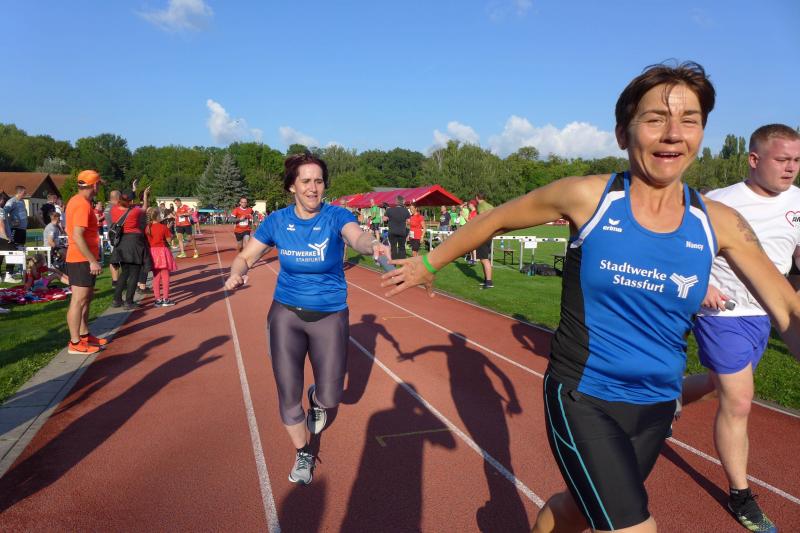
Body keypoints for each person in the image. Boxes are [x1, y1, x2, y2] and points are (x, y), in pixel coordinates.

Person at [381, 62, 800, 533]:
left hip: (658, 402)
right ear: (623, 133)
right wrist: (429, 263)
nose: (673, 134)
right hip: (584, 394)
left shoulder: (718, 221)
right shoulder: (587, 197)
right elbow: (497, 219)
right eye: (655, 119)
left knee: (576, 511)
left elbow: (786, 307)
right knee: (633, 527)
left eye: (689, 120)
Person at [225, 152, 389, 486]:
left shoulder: (336, 215)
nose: (313, 188)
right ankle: (303, 451)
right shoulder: (276, 221)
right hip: (286, 316)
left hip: (330, 315)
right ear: (292, 186)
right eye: (306, 181)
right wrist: (236, 272)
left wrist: (372, 244)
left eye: (319, 181)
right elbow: (246, 256)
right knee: (288, 394)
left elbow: (356, 237)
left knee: (332, 398)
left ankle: (317, 400)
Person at [677, 124, 800, 533]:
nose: (790, 168)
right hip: (721, 314)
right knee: (740, 400)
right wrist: (701, 286)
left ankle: (668, 398)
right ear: (753, 159)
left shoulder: (798, 201)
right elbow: (680, 250)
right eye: (782, 160)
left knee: (719, 384)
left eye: (796, 160)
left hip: (766, 314)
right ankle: (740, 495)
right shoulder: (719, 202)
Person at [65, 170, 109, 355]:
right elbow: (77, 235)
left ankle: (84, 335)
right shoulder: (82, 204)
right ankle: (75, 342)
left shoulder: (79, 202)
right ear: (95, 185)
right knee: (78, 300)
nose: (99, 188)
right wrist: (92, 260)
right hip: (81, 258)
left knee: (86, 298)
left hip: (82, 257)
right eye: (99, 184)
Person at [108, 189, 148, 310]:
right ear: (130, 201)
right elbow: (145, 208)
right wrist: (145, 196)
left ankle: (117, 299)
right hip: (134, 242)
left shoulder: (114, 209)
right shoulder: (135, 211)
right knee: (134, 273)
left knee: (124, 272)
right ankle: (129, 301)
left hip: (121, 242)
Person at [145, 207, 177, 307]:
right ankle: (165, 299)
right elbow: (169, 240)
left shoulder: (147, 228)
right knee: (165, 276)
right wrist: (170, 231)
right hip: (162, 252)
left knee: (156, 277)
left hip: (152, 252)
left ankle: (157, 299)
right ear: (158, 216)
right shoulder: (163, 227)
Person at [3, 185, 28, 282]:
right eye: (24, 193)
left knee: (21, 250)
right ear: (20, 192)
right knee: (13, 250)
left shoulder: (22, 201)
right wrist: (11, 221)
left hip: (23, 230)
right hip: (15, 230)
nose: (25, 194)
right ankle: (8, 273)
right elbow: (3, 214)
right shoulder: (11, 202)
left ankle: (20, 270)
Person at [474, 193, 495, 289]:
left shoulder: (480, 206)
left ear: (477, 198)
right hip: (490, 233)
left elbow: (482, 218)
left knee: (484, 259)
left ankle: (489, 282)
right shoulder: (490, 206)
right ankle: (486, 280)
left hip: (483, 234)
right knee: (484, 258)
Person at [385, 195, 410, 259]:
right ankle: (401, 262)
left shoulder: (389, 210)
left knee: (393, 247)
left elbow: (384, 219)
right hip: (402, 231)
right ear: (403, 202)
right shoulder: (406, 210)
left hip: (392, 231)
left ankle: (394, 261)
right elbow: (409, 222)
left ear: (396, 201)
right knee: (402, 247)